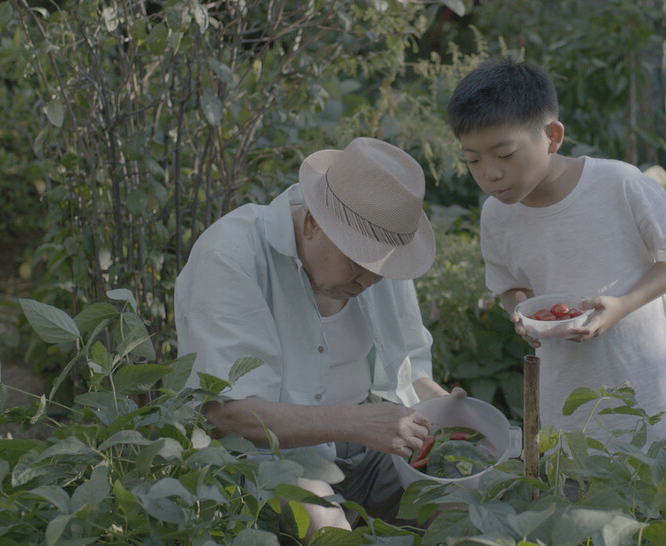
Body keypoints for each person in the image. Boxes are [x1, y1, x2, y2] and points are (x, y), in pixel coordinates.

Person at [174, 137, 463, 537]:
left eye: (381, 270)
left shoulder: (379, 266)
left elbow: (406, 371)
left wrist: (448, 410)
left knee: (459, 512)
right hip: (267, 458)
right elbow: (227, 414)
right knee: (330, 529)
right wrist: (356, 422)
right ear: (312, 222)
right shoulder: (231, 255)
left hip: (369, 447)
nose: (369, 281)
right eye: (357, 262)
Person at [446, 58, 666, 479]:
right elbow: (509, 287)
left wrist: (623, 305)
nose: (491, 174)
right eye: (473, 161)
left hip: (660, 408)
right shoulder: (496, 216)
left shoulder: (618, 184)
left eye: (504, 154)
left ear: (552, 136)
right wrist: (518, 312)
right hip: (571, 420)